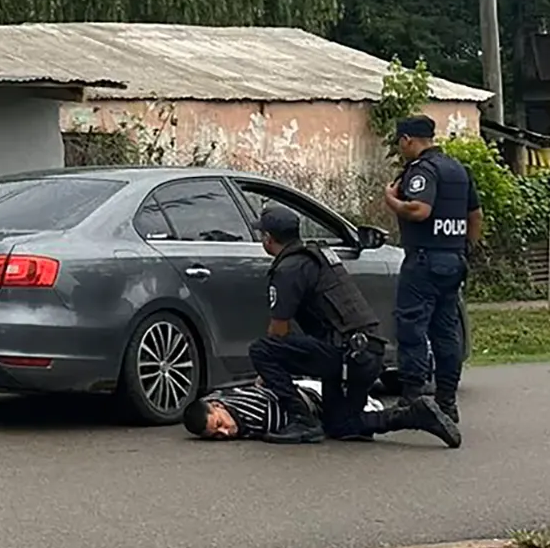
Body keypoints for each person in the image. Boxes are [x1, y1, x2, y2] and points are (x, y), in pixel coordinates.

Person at [246, 206, 460, 446]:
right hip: (367, 352)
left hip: (346, 355)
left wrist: (267, 373)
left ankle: (302, 420)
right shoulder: (317, 256)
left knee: (262, 350)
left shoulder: (288, 269)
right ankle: (415, 415)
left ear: (268, 238)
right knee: (341, 426)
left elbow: (279, 330)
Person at [384, 115, 483, 424]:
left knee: (412, 328)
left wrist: (392, 201)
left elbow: (419, 210)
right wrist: (465, 248)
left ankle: (413, 400)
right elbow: (475, 215)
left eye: (401, 143)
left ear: (407, 140)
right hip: (453, 259)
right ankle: (447, 401)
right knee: (446, 332)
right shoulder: (458, 169)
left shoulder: (422, 170)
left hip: (424, 260)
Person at [183, 377, 460, 447]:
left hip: (314, 400)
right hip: (308, 391)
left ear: (218, 407)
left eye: (220, 423)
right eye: (216, 435)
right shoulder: (219, 398)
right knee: (349, 428)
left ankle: (413, 414)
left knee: (346, 427)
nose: (226, 432)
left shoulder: (251, 413)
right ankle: (410, 415)